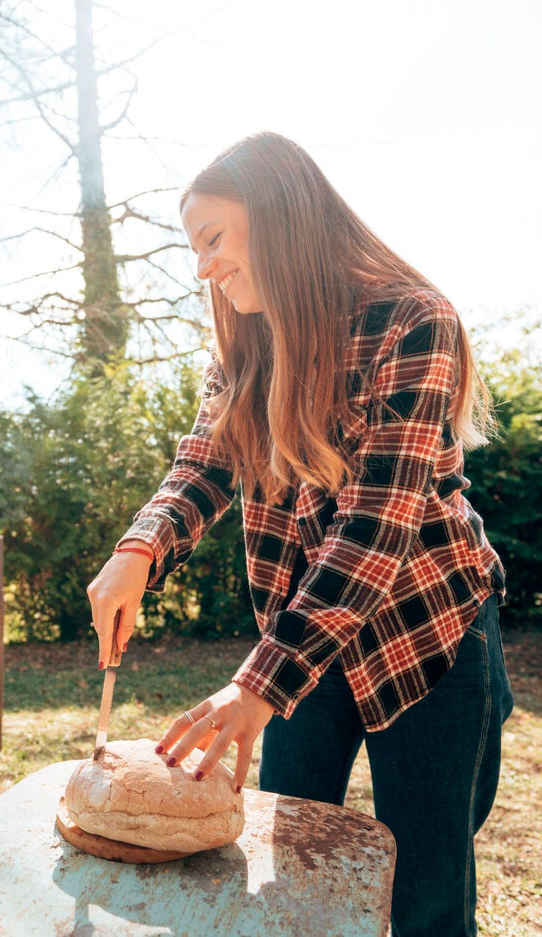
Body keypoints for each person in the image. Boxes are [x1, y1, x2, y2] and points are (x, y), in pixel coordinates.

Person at [86, 132, 512, 937]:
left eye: (214, 239)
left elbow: (373, 532)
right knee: (293, 877)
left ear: (281, 217)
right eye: (195, 248)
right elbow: (204, 462)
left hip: (425, 641)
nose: (203, 267)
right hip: (303, 651)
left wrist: (256, 687)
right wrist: (139, 547)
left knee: (425, 891)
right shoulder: (245, 339)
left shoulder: (414, 323)